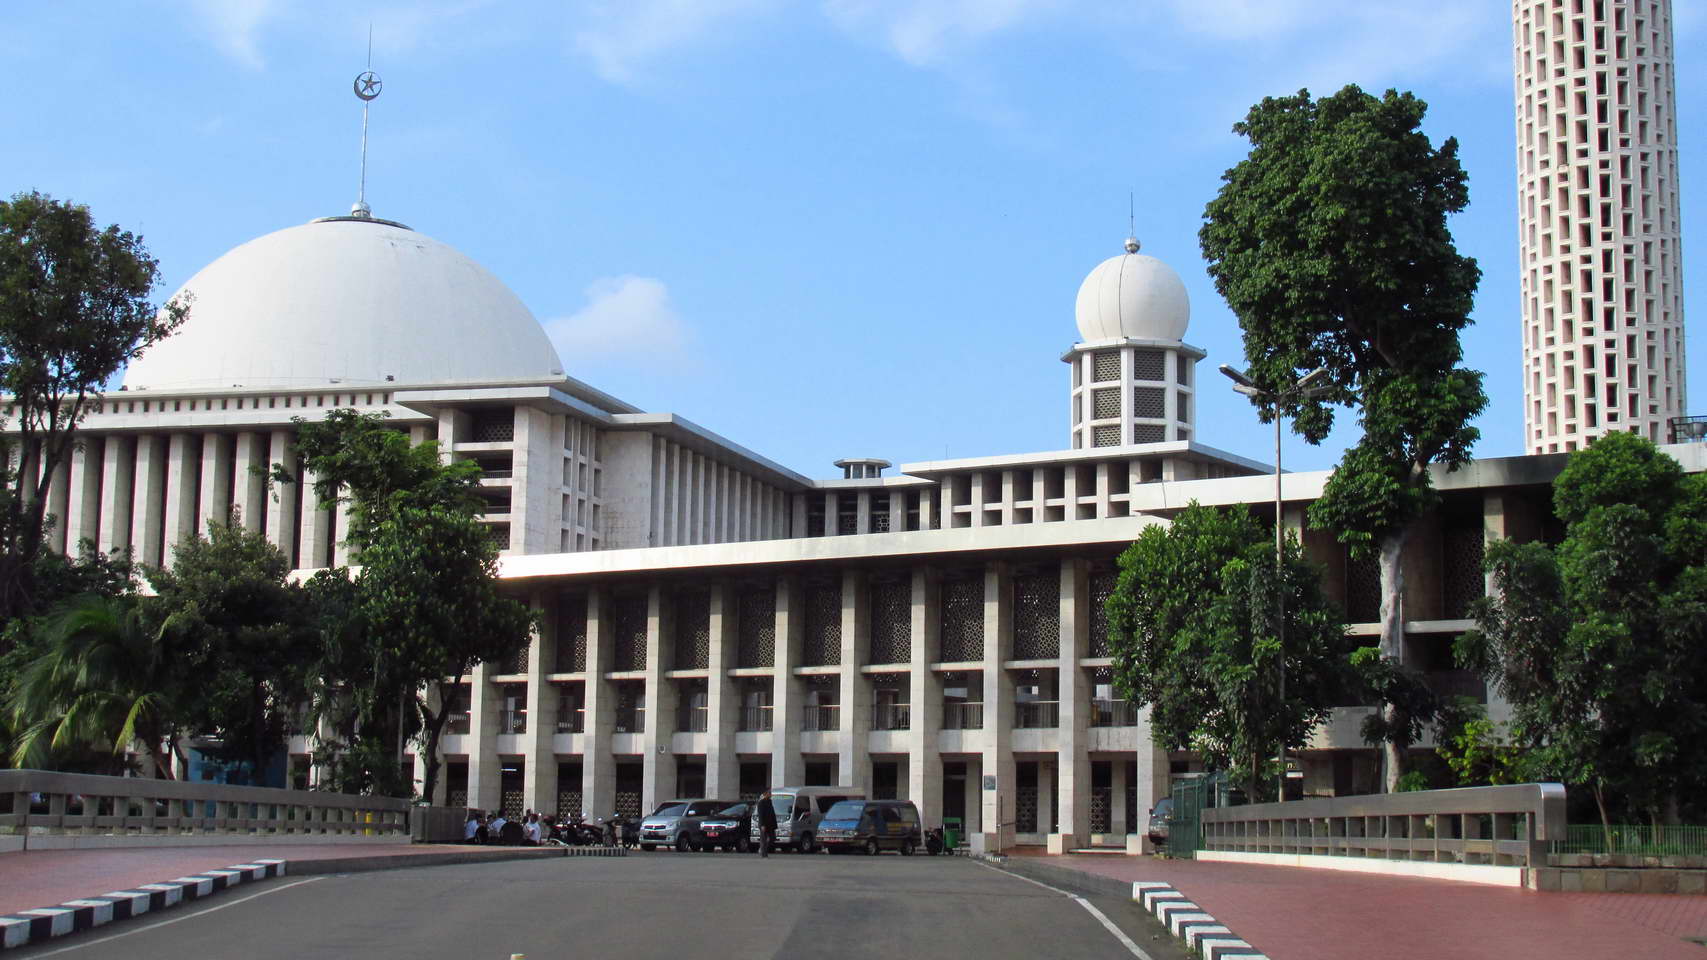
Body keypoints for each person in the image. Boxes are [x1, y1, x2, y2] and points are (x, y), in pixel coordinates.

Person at [757, 791, 777, 858]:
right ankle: (764, 854)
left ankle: (762, 849)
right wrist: (762, 825)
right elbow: (761, 815)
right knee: (764, 839)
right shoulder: (761, 803)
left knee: (772, 838)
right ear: (765, 794)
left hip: (770, 824)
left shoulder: (770, 801)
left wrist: (775, 824)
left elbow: (772, 812)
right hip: (764, 824)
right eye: (769, 793)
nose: (770, 794)